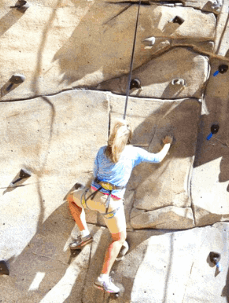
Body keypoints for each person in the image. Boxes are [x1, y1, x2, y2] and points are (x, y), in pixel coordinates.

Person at [66, 120, 172, 294]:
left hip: (92, 197)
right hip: (111, 206)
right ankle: (103, 277)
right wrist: (167, 144)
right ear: (128, 138)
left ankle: (84, 233)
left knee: (71, 199)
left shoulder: (102, 151)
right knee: (118, 239)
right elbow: (157, 158)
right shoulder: (134, 153)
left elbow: (95, 173)